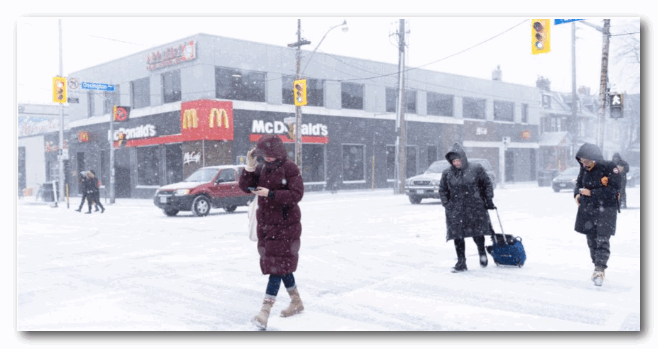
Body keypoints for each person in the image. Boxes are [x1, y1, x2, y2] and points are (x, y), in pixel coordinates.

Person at [238, 135, 305, 330]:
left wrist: (272, 194)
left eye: (268, 155)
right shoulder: (262, 168)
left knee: (276, 267)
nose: (266, 158)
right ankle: (296, 301)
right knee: (281, 265)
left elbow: (297, 194)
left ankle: (264, 313)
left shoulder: (289, 168)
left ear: (277, 153)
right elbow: (247, 188)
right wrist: (249, 168)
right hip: (267, 226)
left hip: (286, 226)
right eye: (262, 155)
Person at [438, 143, 496, 273]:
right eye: (453, 161)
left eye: (458, 160)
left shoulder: (476, 168)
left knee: (477, 233)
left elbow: (486, 184)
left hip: (475, 207)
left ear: (463, 158)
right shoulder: (447, 173)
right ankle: (461, 262)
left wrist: (489, 199)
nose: (456, 163)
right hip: (455, 209)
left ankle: (482, 253)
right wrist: (447, 204)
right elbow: (442, 190)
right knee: (457, 236)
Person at [574, 143, 621, 286]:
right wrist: (576, 194)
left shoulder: (609, 168)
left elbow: (614, 190)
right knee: (591, 241)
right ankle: (597, 265)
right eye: (581, 160)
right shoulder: (584, 169)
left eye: (585, 160)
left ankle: (600, 269)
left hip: (605, 210)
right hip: (588, 210)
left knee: (602, 240)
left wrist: (592, 193)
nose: (583, 163)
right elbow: (578, 183)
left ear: (593, 158)